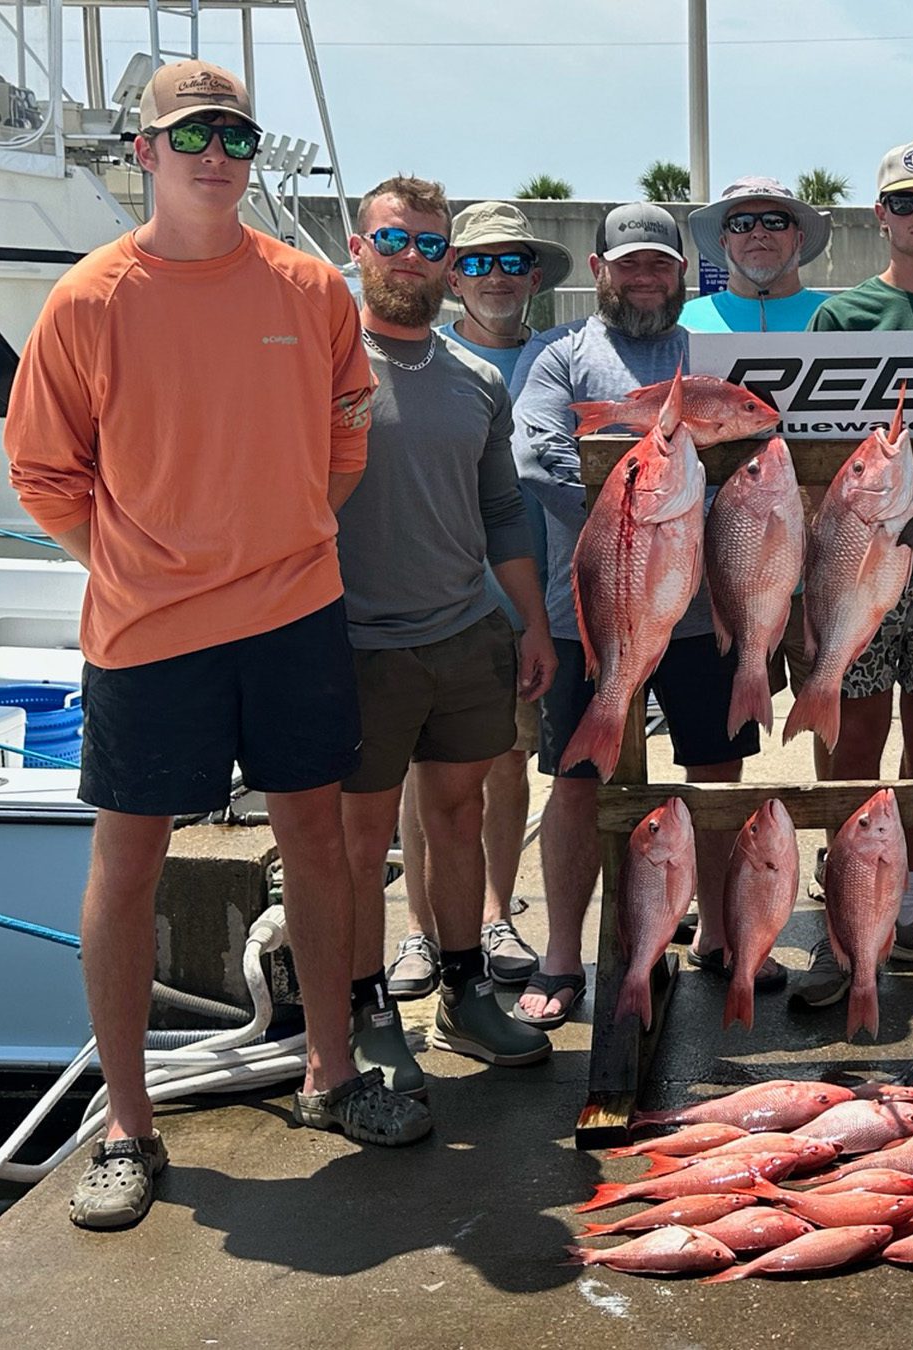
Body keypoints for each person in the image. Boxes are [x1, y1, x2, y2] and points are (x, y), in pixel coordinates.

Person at [4, 60, 428, 1231]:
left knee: (327, 844)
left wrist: (279, 539)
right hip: (148, 634)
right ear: (142, 152)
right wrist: (138, 564)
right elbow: (42, 473)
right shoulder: (88, 300)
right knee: (125, 867)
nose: (215, 154)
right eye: (190, 134)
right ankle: (128, 1126)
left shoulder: (309, 289)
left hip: (295, 615)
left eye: (235, 135)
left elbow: (348, 444)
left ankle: (332, 1075)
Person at [511, 203, 776, 1027]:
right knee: (575, 782)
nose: (644, 277)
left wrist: (699, 527)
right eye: (628, 263)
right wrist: (643, 519)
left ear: (681, 271)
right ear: (599, 269)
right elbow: (536, 457)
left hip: (707, 609)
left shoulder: (710, 357)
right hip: (589, 603)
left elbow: (766, 451)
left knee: (717, 771)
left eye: (659, 263)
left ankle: (718, 936)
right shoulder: (558, 355)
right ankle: (563, 952)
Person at [333, 177, 557, 1099]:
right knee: (357, 839)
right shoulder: (323, 361)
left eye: (432, 246)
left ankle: (466, 993)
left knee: (459, 813)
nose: (412, 260)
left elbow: (503, 511)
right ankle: (364, 1009)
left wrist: (532, 622)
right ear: (359, 245)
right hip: (353, 642)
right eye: (397, 240)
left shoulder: (473, 381)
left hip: (468, 633)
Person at [790, 142, 913, 1010]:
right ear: (880, 214)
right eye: (904, 201)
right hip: (860, 559)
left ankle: (911, 906)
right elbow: (813, 456)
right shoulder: (840, 316)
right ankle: (845, 916)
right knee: (855, 738)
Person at [389, 200, 571, 1002]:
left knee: (505, 764)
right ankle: (418, 930)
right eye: (478, 261)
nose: (494, 277)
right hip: (432, 600)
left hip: (533, 600)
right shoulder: (421, 354)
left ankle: (496, 912)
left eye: (511, 263)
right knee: (417, 778)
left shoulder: (565, 355)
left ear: (534, 277)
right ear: (454, 273)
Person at [680, 177, 831, 333]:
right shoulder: (683, 322)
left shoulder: (836, 319)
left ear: (798, 240)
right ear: (725, 243)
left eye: (775, 221)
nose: (758, 233)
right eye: (741, 223)